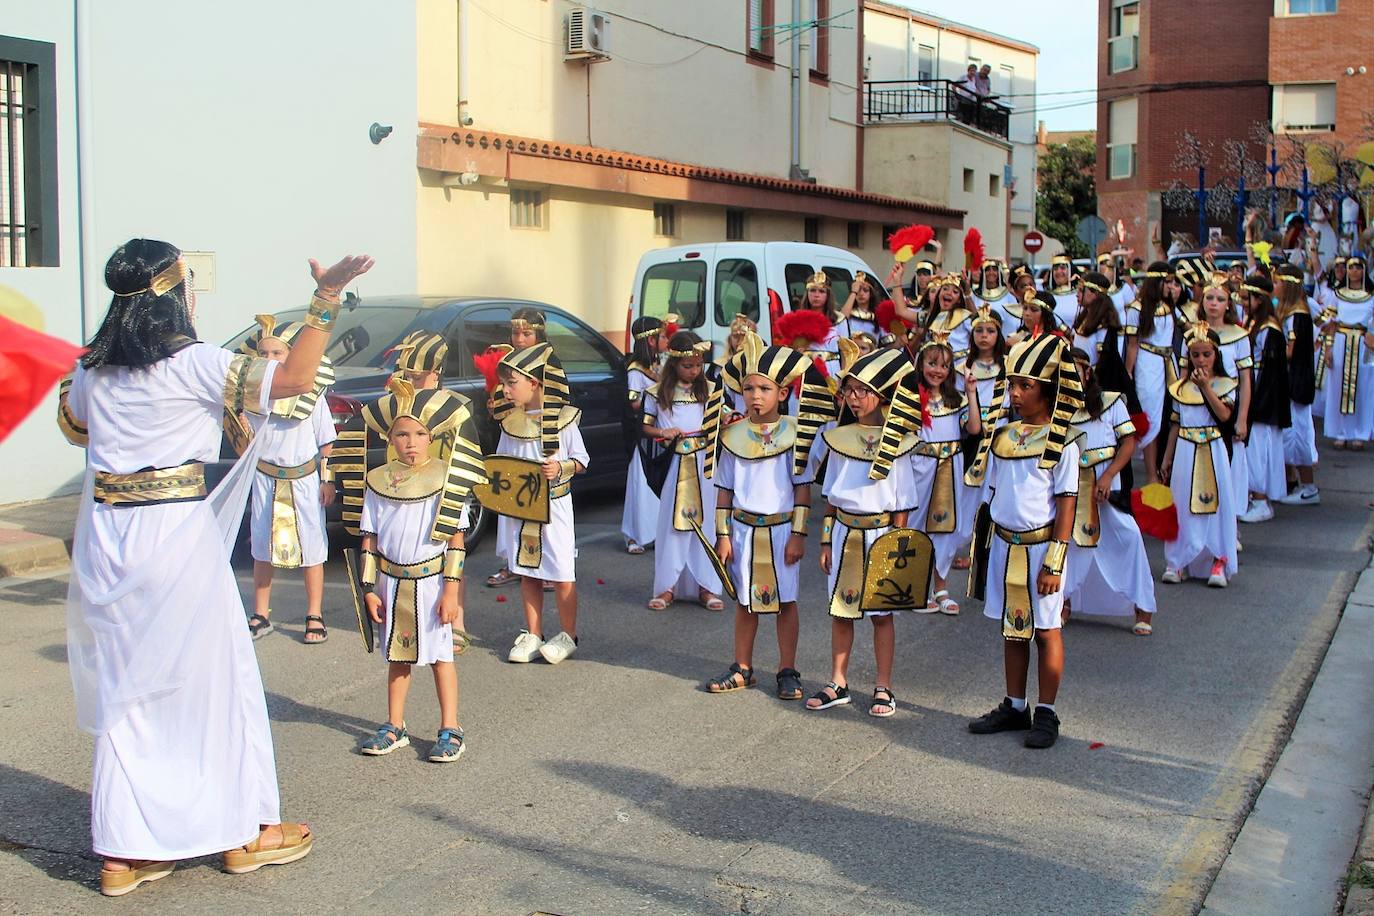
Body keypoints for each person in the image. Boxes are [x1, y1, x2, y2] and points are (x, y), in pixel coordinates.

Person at [58, 240, 373, 896]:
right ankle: (243, 833)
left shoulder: (92, 373)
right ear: (177, 297)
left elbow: (76, 425)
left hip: (111, 540)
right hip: (174, 534)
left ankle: (125, 853)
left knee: (130, 691)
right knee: (217, 680)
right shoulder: (194, 363)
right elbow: (288, 386)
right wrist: (324, 304)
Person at [964, 332, 1083, 750]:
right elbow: (993, 492)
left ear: (1047, 390)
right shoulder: (1003, 436)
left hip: (1041, 548)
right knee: (1013, 630)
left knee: (1047, 629)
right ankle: (1016, 705)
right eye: (1012, 385)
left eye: (1025, 386)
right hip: (1005, 545)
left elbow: (1067, 503)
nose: (1014, 393)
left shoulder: (1062, 438)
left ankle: (1047, 712)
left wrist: (1055, 560)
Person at [355, 378, 482, 762]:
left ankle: (450, 727)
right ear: (389, 438)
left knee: (442, 657)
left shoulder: (446, 478)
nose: (411, 442)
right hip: (391, 583)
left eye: (419, 433)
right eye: (402, 434)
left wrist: (452, 592)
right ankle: (395, 725)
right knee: (398, 657)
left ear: (432, 436)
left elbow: (456, 540)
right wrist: (369, 589)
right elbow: (369, 541)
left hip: (431, 584)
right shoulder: (377, 482)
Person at [704, 331, 827, 701]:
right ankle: (742, 667)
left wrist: (799, 534)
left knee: (786, 602)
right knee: (745, 602)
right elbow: (724, 489)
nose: (756, 396)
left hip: (780, 530)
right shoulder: (731, 435)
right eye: (749, 388)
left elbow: (802, 487)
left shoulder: (795, 433)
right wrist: (722, 534)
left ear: (783, 393)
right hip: (742, 529)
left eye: (764, 389)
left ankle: (787, 669)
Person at [807, 344, 919, 717]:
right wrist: (825, 540)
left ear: (881, 394)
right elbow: (831, 498)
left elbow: (902, 503)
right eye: (849, 391)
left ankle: (884, 686)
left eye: (862, 391)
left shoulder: (899, 443)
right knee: (842, 611)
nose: (853, 398)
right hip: (844, 534)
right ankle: (838, 681)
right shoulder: (840, 438)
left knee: (882, 615)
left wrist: (897, 550)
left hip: (881, 535)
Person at [238, 315, 336, 644]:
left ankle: (314, 614)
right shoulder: (252, 398)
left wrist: (328, 480)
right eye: (263, 354)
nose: (269, 360)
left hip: (303, 480)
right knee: (262, 548)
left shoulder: (311, 395)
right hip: (265, 479)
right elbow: (243, 443)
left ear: (290, 357)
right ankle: (261, 613)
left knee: (312, 548)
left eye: (276, 354)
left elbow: (327, 443)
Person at [495, 342, 588, 664]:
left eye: (512, 383)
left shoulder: (563, 419)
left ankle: (568, 633)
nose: (505, 390)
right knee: (527, 571)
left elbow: (581, 459)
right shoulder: (510, 422)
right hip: (522, 508)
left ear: (534, 382)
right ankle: (534, 632)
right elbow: (503, 462)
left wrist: (562, 467)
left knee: (562, 570)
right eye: (504, 383)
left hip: (555, 507)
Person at [1062, 349, 1157, 635]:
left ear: (1086, 372)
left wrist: (1108, 475)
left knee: (1127, 536)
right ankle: (1063, 601)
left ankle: (1143, 607)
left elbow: (1128, 442)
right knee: (1068, 542)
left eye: (1074, 370)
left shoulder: (1110, 402)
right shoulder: (1056, 405)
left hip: (1106, 486)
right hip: (1071, 486)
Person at [643, 331, 724, 611]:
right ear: (674, 364)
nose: (694, 371)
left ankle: (708, 587)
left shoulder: (712, 390)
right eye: (688, 366)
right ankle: (667, 587)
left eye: (698, 365)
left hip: (705, 465)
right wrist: (663, 431)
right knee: (671, 525)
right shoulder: (657, 392)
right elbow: (644, 426)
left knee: (706, 523)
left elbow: (723, 422)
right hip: (675, 464)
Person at [1160, 323, 1238, 586]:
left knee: (1217, 505)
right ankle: (1179, 560)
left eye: (1206, 354)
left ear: (1216, 354)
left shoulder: (1225, 384)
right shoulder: (1180, 388)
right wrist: (1167, 457)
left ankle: (1218, 559)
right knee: (1182, 503)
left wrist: (1206, 387)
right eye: (1195, 355)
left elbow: (1225, 415)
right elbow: (1175, 422)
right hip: (1185, 448)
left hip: (1213, 448)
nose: (1201, 359)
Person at [910, 335, 981, 614]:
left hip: (950, 468)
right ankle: (915, 586)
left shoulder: (957, 399)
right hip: (920, 468)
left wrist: (972, 393)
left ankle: (941, 589)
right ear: (921, 364)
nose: (938, 370)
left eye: (944, 366)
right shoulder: (913, 398)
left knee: (945, 528)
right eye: (932, 363)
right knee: (916, 524)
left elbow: (974, 429)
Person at [486, 309, 549, 588]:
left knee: (539, 498)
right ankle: (513, 562)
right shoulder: (506, 359)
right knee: (511, 498)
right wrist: (496, 405)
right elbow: (502, 404)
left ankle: (546, 566)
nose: (520, 338)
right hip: (512, 436)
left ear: (539, 334)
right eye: (516, 333)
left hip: (539, 437)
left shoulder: (550, 363)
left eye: (527, 333)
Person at [1237, 275, 1291, 524]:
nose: (1243, 303)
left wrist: (1256, 404)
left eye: (1247, 298)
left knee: (1259, 451)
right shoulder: (1254, 323)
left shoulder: (1270, 329)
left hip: (1263, 400)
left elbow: (1272, 374)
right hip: (1254, 393)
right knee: (1252, 451)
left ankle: (1261, 500)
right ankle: (1254, 496)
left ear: (1259, 299)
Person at [1125, 262, 1182, 484]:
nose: (1171, 286)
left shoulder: (1170, 307)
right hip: (1148, 364)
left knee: (1171, 413)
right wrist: (1129, 373)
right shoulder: (1137, 308)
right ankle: (1150, 475)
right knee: (1150, 417)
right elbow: (1132, 345)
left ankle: (1163, 469)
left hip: (1169, 364)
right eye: (1167, 282)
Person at [1274, 264, 1320, 506]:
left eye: (1278, 282)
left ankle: (1309, 487)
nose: (1275, 287)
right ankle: (1291, 482)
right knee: (1290, 434)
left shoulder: (1296, 314)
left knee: (1299, 435)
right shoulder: (1292, 312)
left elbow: (1290, 352)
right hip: (1293, 381)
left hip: (1296, 383)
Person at [1318, 256, 1374, 450]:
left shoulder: (1371, 295)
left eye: (1359, 268)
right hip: (1341, 341)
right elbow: (1328, 322)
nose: (1355, 271)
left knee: (1363, 388)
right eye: (1351, 268)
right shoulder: (1337, 294)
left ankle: (1360, 433)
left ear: (1364, 271)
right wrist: (1328, 348)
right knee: (1338, 387)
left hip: (1363, 344)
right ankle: (1340, 432)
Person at [623, 316, 666, 554]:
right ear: (651, 340)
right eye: (662, 336)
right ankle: (634, 535)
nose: (666, 340)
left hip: (659, 431)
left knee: (660, 482)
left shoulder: (660, 364)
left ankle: (657, 532)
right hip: (642, 434)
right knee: (640, 482)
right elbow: (634, 403)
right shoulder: (635, 369)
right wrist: (658, 397)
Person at [972, 258, 1019, 335]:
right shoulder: (974, 294)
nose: (991, 273)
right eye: (987, 270)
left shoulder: (1008, 294)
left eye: (994, 269)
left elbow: (1013, 321)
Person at [835, 271, 881, 341]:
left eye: (865, 290)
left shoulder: (877, 315)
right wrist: (854, 292)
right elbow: (842, 319)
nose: (861, 294)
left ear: (871, 294)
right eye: (858, 290)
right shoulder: (848, 312)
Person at [1046, 255, 1080, 330]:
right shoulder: (1046, 294)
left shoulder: (1079, 294)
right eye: (1055, 268)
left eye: (1063, 268)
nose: (1058, 271)